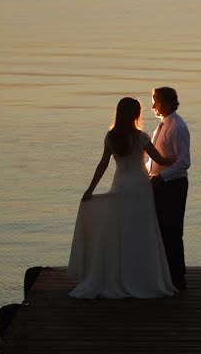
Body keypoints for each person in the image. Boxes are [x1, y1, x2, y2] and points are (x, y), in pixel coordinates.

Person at [67, 97, 177, 299]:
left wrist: (90, 189)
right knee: (142, 233)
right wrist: (175, 159)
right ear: (136, 114)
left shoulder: (111, 137)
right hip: (141, 190)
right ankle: (143, 278)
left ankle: (118, 275)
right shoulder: (141, 137)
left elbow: (103, 165)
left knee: (120, 232)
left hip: (121, 186)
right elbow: (160, 159)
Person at [148, 86, 190, 290]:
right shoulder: (162, 125)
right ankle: (166, 274)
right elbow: (156, 159)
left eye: (155, 100)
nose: (152, 105)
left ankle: (177, 277)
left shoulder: (177, 127)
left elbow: (184, 162)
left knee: (172, 230)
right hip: (161, 184)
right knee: (161, 230)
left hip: (173, 186)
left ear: (165, 103)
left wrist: (161, 178)